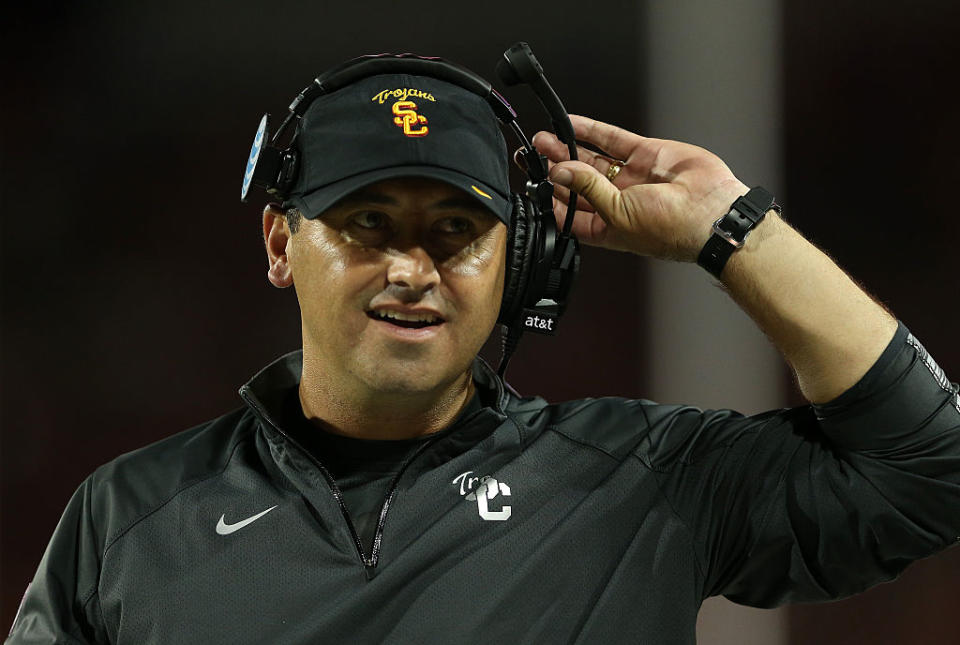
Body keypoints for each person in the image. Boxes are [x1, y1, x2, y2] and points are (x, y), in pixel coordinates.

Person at [7, 55, 960, 645]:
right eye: (368, 222)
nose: (413, 269)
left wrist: (730, 227)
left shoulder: (641, 484)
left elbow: (928, 466)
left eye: (458, 230)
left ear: (526, 258)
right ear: (278, 244)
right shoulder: (129, 519)